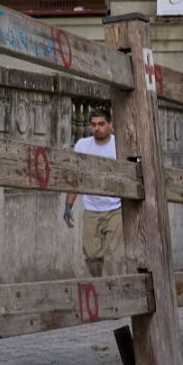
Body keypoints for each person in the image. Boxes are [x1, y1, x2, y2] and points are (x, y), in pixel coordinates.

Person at [65, 108, 123, 277]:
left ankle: (114, 294)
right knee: (91, 255)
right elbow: (76, 177)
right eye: (93, 125)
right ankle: (100, 286)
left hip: (115, 209)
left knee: (114, 257)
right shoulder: (82, 146)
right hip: (91, 209)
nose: (97, 128)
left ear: (110, 125)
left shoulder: (120, 145)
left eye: (101, 124)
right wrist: (68, 205)